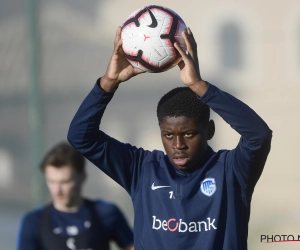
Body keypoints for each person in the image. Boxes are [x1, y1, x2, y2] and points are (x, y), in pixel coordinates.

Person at [67, 26, 272, 250]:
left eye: (188, 134)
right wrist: (108, 83)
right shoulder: (142, 169)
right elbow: (80, 137)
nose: (178, 145)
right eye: (168, 135)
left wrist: (199, 86)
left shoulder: (231, 171)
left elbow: (258, 135)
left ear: (209, 130)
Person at [16, 141, 134, 250]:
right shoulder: (33, 221)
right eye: (51, 181)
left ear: (82, 177)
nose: (57, 190)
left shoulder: (106, 213)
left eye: (65, 182)